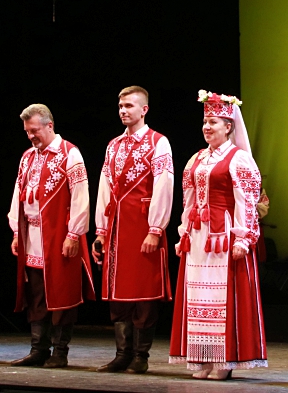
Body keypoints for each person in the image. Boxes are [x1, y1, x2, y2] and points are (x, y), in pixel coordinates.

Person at [169, 90, 267, 380]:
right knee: (201, 294)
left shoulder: (239, 160)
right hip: (200, 237)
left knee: (223, 294)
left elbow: (247, 201)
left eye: (213, 122)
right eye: (205, 122)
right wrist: (184, 233)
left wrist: (243, 238)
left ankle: (225, 359)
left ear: (228, 126)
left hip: (224, 235)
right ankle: (205, 357)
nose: (207, 127)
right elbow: (189, 200)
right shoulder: (196, 159)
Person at [92, 86, 174, 374]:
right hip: (116, 228)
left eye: (129, 105)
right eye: (120, 106)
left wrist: (155, 229)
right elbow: (105, 186)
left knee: (143, 292)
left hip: (142, 226)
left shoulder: (158, 142)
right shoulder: (113, 145)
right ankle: (122, 353)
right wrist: (101, 230)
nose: (124, 111)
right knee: (117, 292)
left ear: (144, 110)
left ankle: (141, 355)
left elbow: (164, 185)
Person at [8, 104, 95, 369]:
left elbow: (81, 197)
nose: (31, 136)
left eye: (34, 130)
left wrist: (73, 234)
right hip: (32, 235)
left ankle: (60, 352)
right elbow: (17, 196)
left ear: (49, 125)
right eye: (27, 132)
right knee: (36, 294)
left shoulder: (70, 154)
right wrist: (16, 232)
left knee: (61, 294)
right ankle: (38, 349)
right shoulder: (27, 157)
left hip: (60, 236)